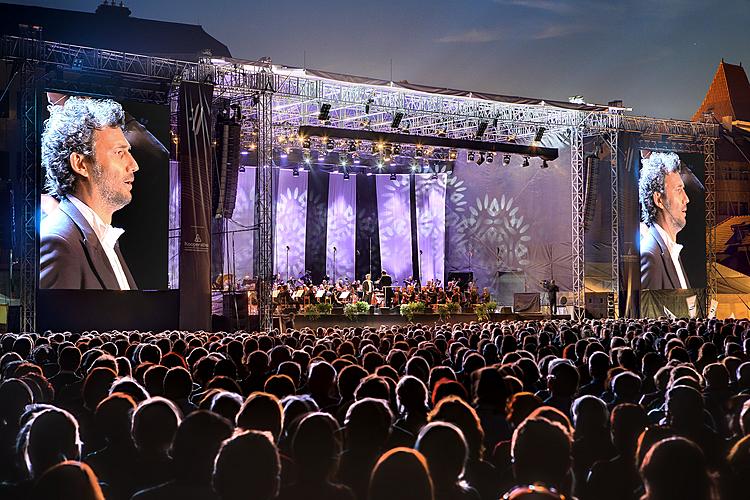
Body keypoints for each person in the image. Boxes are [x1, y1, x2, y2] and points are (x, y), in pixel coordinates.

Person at [39, 96, 139, 290]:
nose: (134, 165)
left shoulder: (103, 238)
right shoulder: (59, 243)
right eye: (119, 153)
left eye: (129, 151)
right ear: (81, 164)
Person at [639, 152, 691, 290]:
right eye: (678, 190)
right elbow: (647, 312)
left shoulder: (671, 251)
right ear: (659, 200)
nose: (686, 199)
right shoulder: (649, 256)